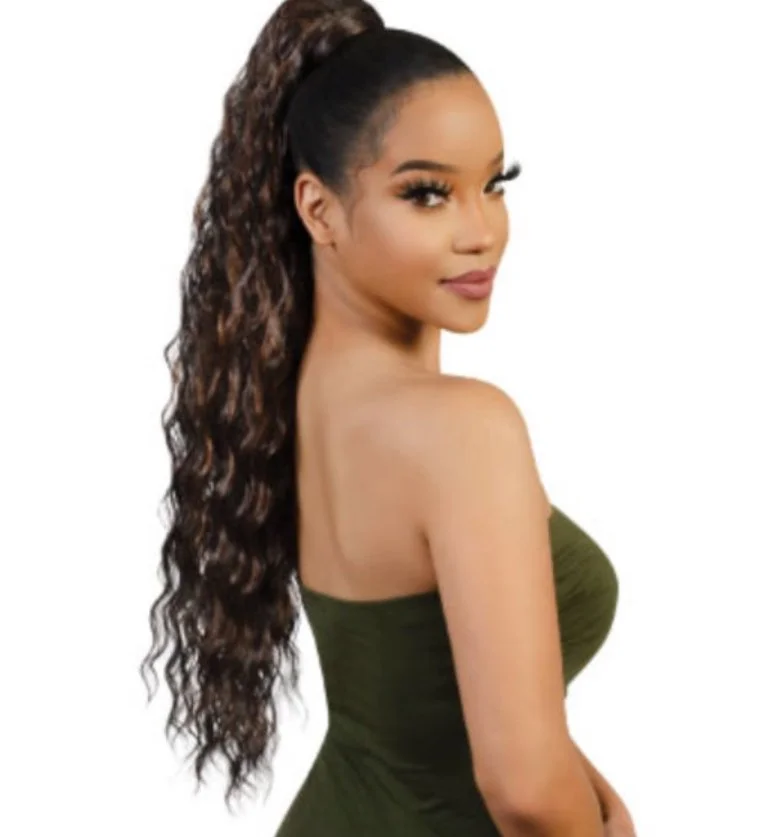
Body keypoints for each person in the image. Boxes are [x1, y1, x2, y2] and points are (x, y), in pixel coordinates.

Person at [140, 1, 634, 835]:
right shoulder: (462, 432)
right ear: (318, 209)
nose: (480, 232)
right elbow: (522, 789)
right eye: (427, 193)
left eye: (494, 184)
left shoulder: (288, 397)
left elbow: (425, 698)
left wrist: (580, 786)